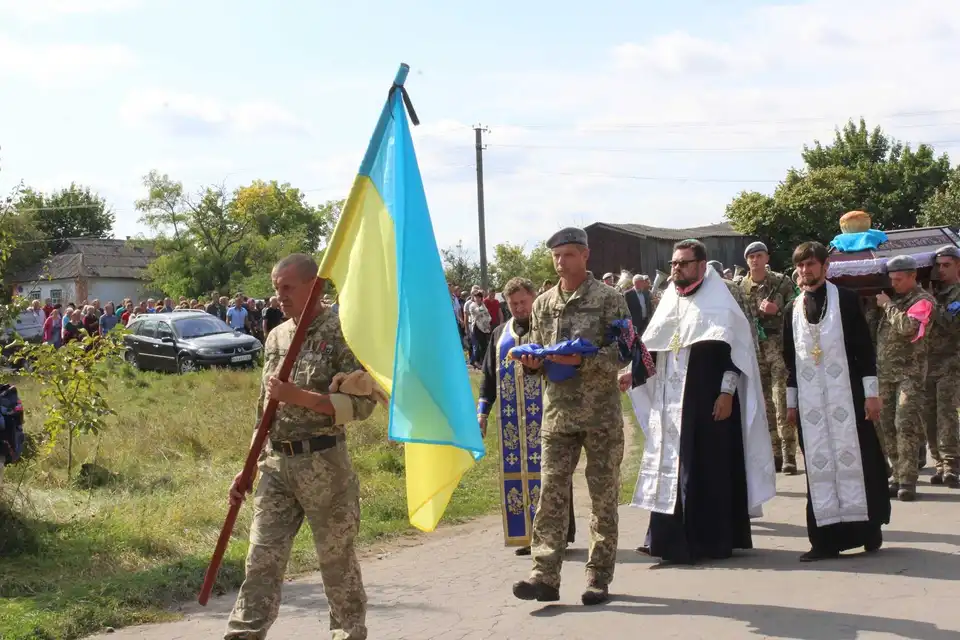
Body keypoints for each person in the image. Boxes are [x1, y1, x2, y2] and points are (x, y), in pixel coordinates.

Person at [224, 254, 377, 640]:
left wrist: (300, 396)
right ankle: (243, 634)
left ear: (315, 286)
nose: (279, 296)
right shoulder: (276, 336)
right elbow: (264, 410)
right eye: (276, 288)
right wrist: (249, 465)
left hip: (324, 463)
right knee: (261, 559)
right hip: (277, 466)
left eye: (287, 287)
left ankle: (347, 633)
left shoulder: (344, 332)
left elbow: (362, 404)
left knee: (336, 562)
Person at [630, 239, 775, 566]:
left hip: (709, 400)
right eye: (673, 264)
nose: (675, 269)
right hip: (672, 401)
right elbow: (653, 348)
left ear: (700, 264)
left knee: (706, 469)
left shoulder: (720, 303)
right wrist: (634, 373)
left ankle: (706, 540)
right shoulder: (668, 300)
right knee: (671, 465)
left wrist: (726, 394)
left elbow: (735, 354)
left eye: (682, 263)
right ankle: (664, 537)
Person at [511, 227, 629, 606]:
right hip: (558, 415)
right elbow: (537, 351)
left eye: (568, 255)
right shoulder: (543, 304)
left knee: (602, 496)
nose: (561, 262)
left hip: (600, 415)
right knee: (551, 494)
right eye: (556, 256)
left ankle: (598, 576)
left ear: (585, 256)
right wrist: (530, 365)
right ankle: (544, 573)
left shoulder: (611, 299)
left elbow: (628, 353)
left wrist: (585, 359)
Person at [782, 242, 890, 561]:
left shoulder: (846, 299)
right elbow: (790, 360)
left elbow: (864, 350)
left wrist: (871, 395)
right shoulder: (792, 309)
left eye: (811, 264)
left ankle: (869, 531)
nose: (806, 270)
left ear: (825, 266)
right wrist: (791, 403)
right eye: (800, 265)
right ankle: (824, 541)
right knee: (817, 467)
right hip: (811, 405)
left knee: (862, 461)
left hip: (850, 397)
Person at [478, 277, 576, 557]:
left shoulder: (547, 330)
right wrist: (482, 413)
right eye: (513, 304)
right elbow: (487, 377)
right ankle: (525, 534)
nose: (519, 308)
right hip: (512, 423)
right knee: (515, 475)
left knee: (551, 476)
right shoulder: (499, 334)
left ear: (534, 299)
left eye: (523, 302)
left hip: (548, 417)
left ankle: (555, 535)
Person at [875, 254, 935, 501]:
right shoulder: (894, 299)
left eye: (899, 279)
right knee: (887, 425)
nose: (894, 283)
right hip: (886, 374)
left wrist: (887, 306)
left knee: (905, 424)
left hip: (909, 374)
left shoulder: (923, 300)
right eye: (892, 279)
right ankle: (897, 475)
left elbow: (908, 327)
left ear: (913, 276)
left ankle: (908, 481)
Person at [740, 241, 799, 474]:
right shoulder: (741, 287)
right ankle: (773, 453)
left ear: (767, 258)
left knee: (781, 401)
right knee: (763, 404)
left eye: (759, 255)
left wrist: (780, 310)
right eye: (751, 256)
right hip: (755, 352)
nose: (755, 260)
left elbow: (800, 307)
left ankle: (789, 455)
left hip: (779, 350)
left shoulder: (781, 282)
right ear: (747, 261)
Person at [922, 246, 960, 488]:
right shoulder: (931, 292)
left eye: (946, 265)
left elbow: (952, 325)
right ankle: (938, 463)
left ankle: (951, 466)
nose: (941, 269)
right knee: (929, 417)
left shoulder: (956, 295)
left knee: (946, 414)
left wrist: (931, 304)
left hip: (951, 362)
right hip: (927, 362)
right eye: (938, 265)